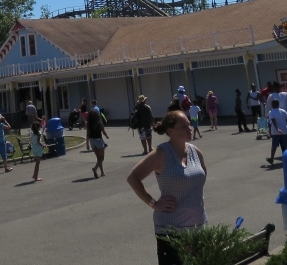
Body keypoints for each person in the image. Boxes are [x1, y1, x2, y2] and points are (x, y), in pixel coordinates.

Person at [126, 109, 208, 265]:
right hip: (171, 230)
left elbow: (203, 173)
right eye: (184, 126)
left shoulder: (195, 151)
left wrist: (197, 193)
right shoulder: (161, 153)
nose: (189, 128)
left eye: (189, 125)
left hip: (198, 225)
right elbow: (133, 178)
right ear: (171, 131)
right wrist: (153, 203)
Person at [266, 98, 287, 165]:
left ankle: (271, 158)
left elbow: (272, 121)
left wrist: (277, 129)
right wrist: (283, 126)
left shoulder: (271, 112)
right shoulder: (283, 111)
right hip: (285, 130)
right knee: (286, 145)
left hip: (275, 132)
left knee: (274, 145)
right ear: (278, 104)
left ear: (272, 105)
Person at [87, 103, 110, 178]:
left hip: (92, 141)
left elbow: (87, 133)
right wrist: (106, 136)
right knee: (102, 158)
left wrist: (87, 144)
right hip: (98, 140)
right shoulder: (99, 122)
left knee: (98, 158)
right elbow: (103, 131)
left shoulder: (89, 124)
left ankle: (102, 172)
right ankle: (95, 168)